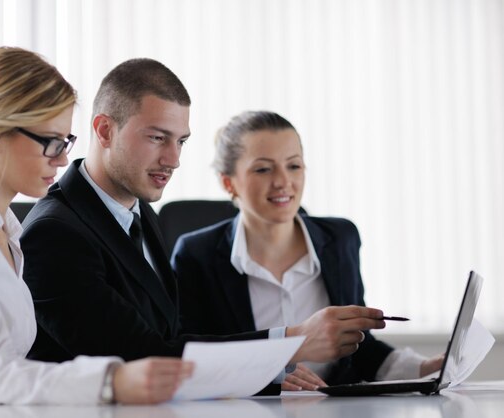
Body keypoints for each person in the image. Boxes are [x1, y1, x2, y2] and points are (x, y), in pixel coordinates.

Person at [20, 58, 388, 394]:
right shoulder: (54, 233)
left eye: (180, 141)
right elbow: (143, 356)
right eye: (157, 137)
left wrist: (272, 374)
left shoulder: (140, 214)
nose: (173, 159)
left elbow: (175, 336)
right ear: (103, 131)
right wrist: (292, 340)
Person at [0, 47, 193, 405]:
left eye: (66, 142)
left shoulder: (6, 229)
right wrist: (113, 379)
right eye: (50, 142)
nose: (62, 159)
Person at [170, 110, 444, 389]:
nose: (283, 182)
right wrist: (274, 374)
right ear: (229, 182)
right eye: (263, 169)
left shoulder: (340, 239)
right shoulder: (196, 254)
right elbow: (194, 358)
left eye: (294, 166)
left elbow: (360, 346)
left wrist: (423, 367)